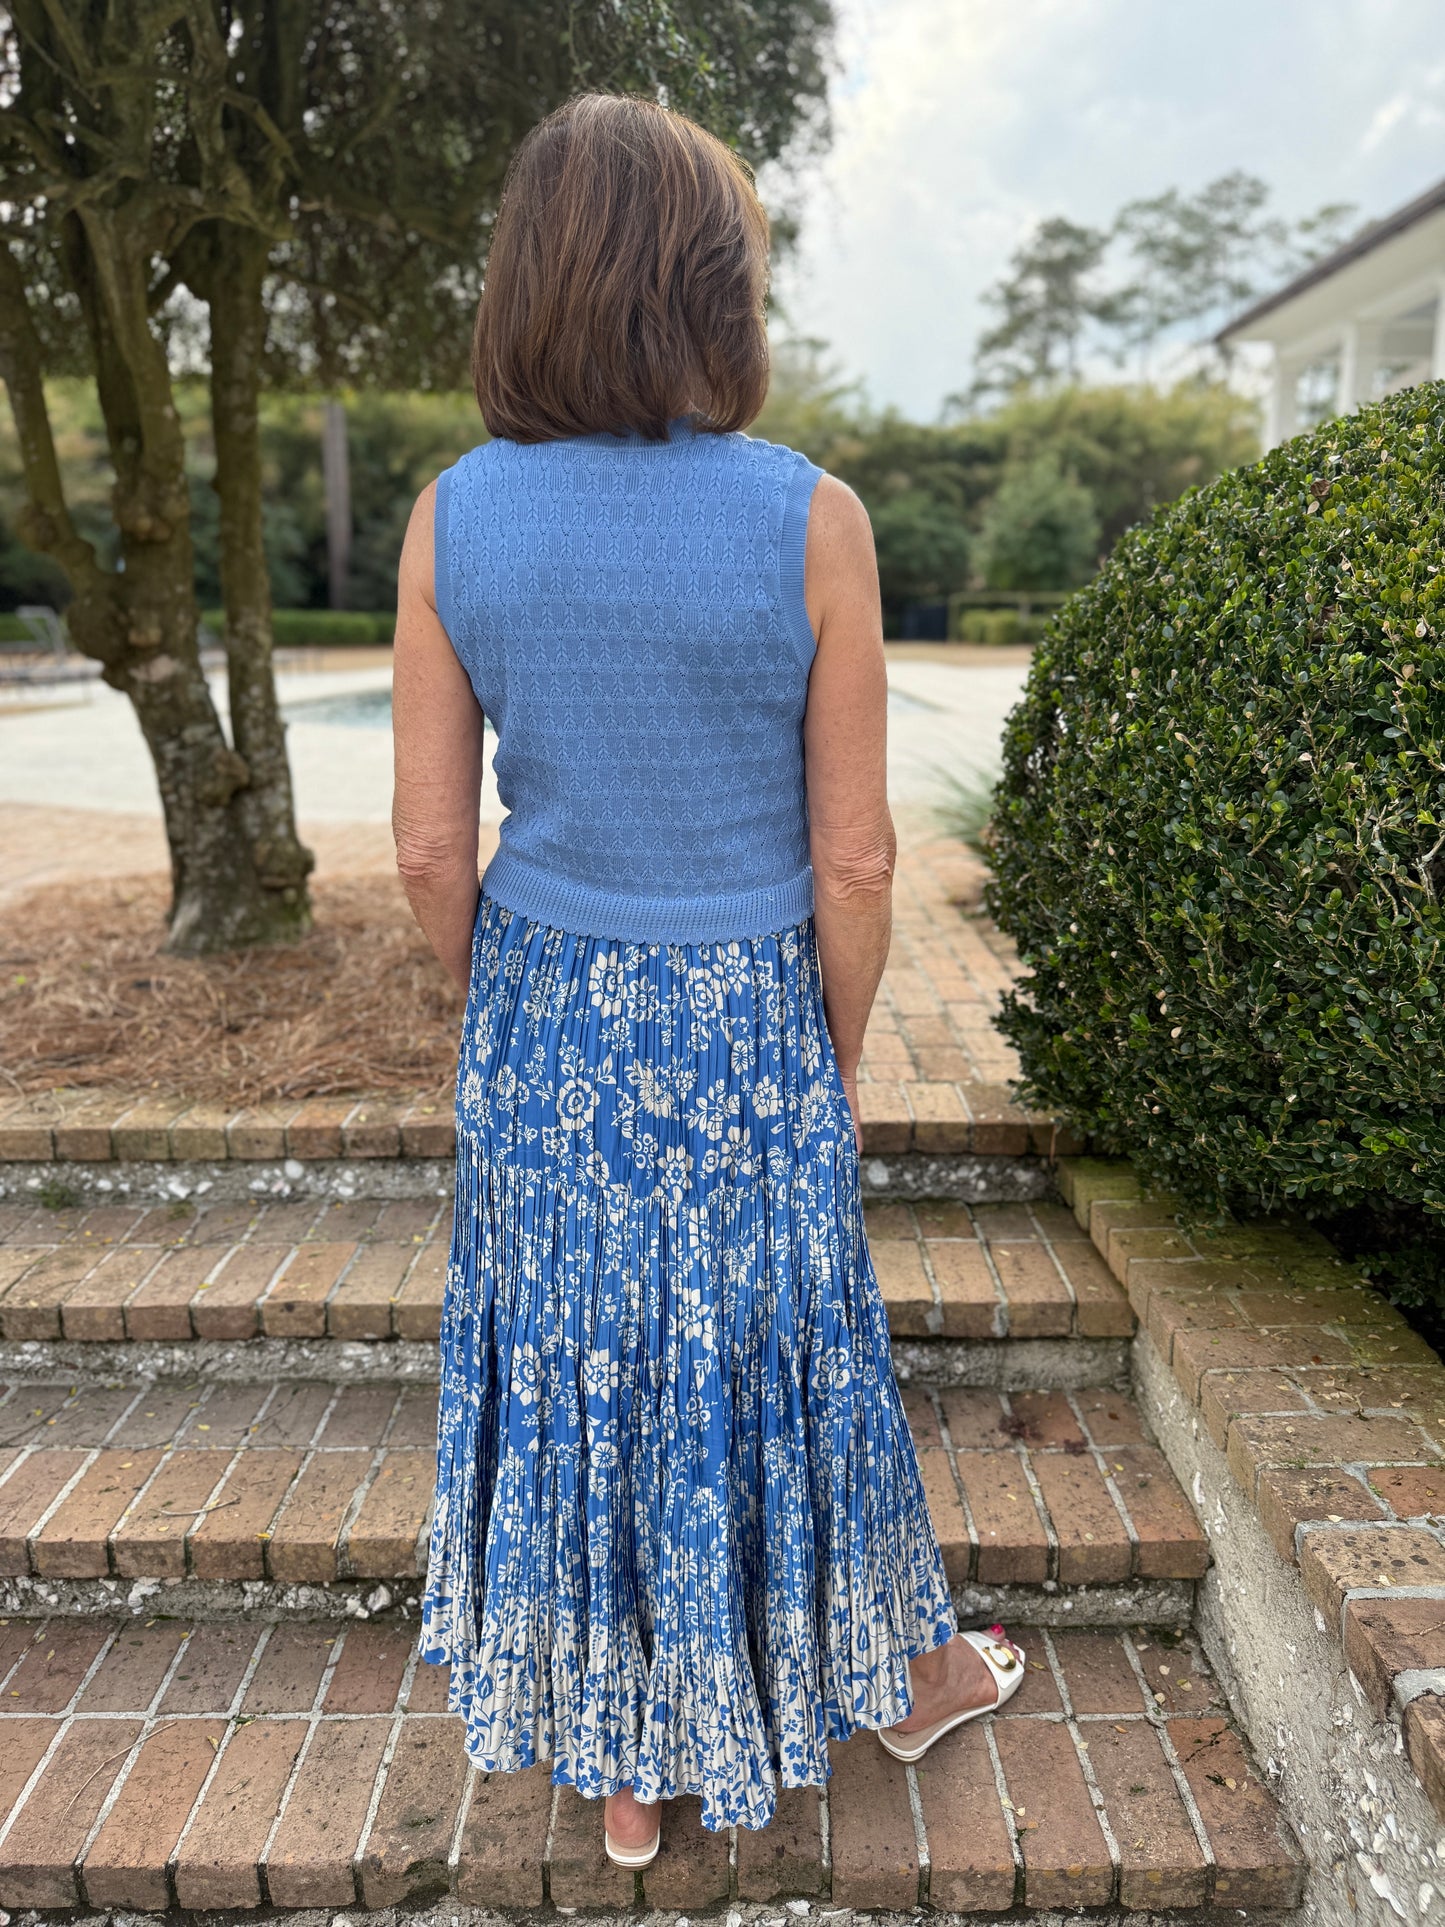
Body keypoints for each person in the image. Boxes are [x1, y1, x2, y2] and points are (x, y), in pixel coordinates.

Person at [391, 90, 1025, 1870]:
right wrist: (820, 1037)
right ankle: (892, 1676)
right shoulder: (807, 515)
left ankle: (622, 1761)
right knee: (776, 1353)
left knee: (590, 1362)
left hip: (543, 1008)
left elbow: (434, 853)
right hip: (745, 1009)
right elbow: (857, 860)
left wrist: (507, 1000)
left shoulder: (454, 518)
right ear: (712, 289)